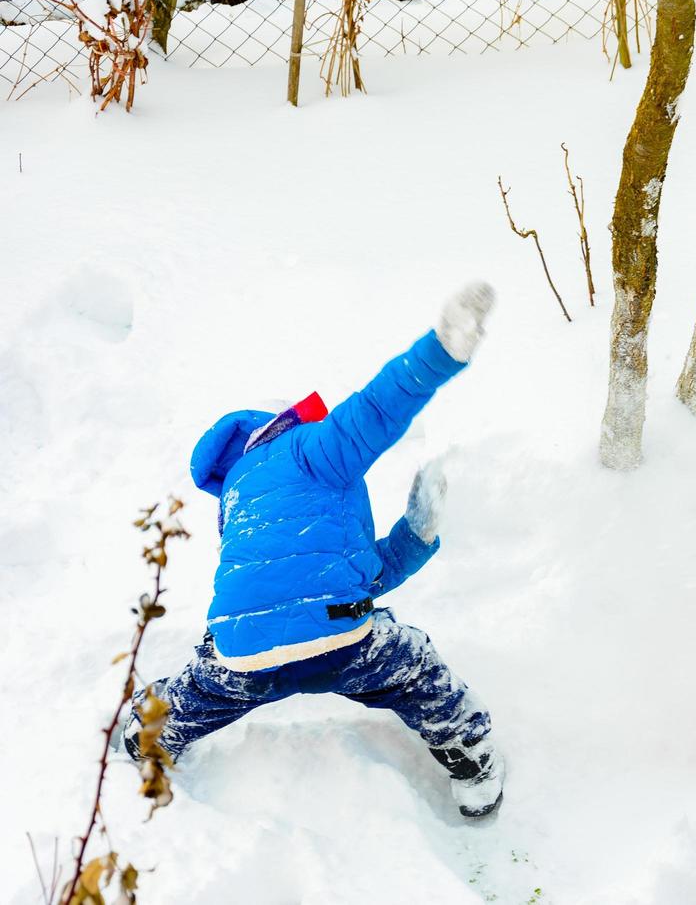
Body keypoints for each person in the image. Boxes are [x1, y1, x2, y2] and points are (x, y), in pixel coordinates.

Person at [122, 283, 505, 818]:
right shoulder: (306, 450)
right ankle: (473, 765)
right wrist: (440, 352)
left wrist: (412, 536)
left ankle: (147, 733)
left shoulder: (236, 501)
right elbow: (374, 410)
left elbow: (329, 576)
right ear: (284, 426)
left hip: (243, 648)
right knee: (415, 671)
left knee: (203, 688)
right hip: (338, 634)